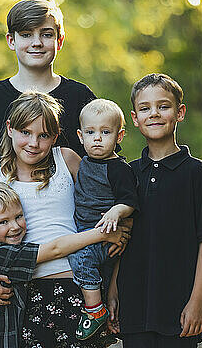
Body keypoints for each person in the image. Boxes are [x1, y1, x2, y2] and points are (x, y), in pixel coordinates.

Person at [0, 0, 100, 314]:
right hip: (5, 254)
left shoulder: (80, 98)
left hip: (72, 262)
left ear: (60, 40)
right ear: (11, 40)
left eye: (46, 34)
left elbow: (101, 174)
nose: (36, 42)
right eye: (26, 34)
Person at [0, 91, 123, 347]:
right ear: (10, 129)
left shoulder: (67, 160)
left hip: (80, 288)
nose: (33, 143)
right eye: (25, 132)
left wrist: (113, 287)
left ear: (55, 136)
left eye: (43, 135)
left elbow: (110, 207)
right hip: (25, 295)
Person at [107, 73, 202, 348]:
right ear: (134, 118)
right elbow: (119, 241)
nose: (154, 114)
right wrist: (112, 290)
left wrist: (197, 301)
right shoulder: (127, 174)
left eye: (163, 106)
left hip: (179, 306)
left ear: (179, 112)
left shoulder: (197, 174)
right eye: (145, 108)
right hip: (134, 304)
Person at [0, 182, 129, 348]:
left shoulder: (3, 250)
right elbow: (55, 249)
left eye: (19, 217)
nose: (15, 226)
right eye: (3, 222)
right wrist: (102, 234)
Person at [66, 99, 138, 340]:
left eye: (105, 132)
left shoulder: (118, 168)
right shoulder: (84, 162)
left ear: (119, 136)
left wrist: (116, 212)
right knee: (103, 282)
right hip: (86, 234)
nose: (97, 138)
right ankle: (108, 322)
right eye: (90, 132)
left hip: (106, 235)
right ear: (80, 135)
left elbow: (130, 201)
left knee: (80, 258)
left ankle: (95, 311)